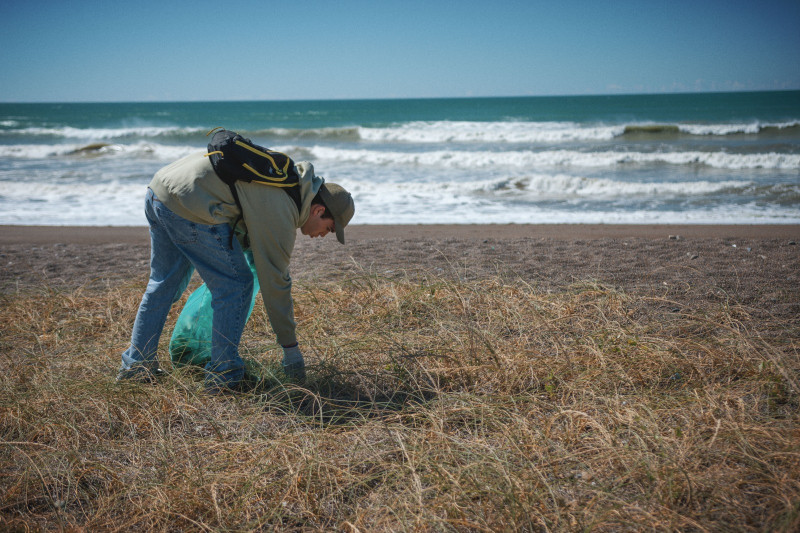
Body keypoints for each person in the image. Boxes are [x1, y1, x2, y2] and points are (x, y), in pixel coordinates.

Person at [117, 148, 355, 392]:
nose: (324, 235)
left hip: (159, 190)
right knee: (236, 285)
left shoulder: (287, 180)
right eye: (330, 229)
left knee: (163, 284)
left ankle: (137, 367)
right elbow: (276, 285)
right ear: (318, 211)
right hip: (190, 203)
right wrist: (290, 349)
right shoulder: (284, 209)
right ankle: (225, 374)